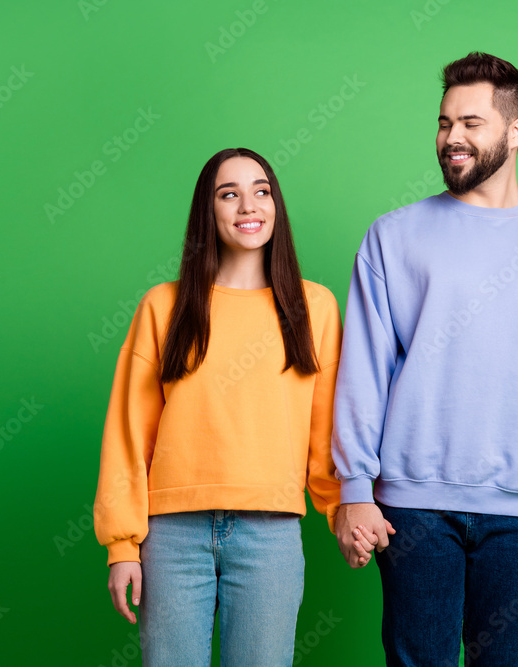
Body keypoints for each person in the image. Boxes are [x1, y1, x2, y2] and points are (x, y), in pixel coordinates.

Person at [331, 52, 518, 665]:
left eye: (471, 123)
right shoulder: (393, 237)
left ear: (515, 132)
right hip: (411, 506)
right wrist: (354, 487)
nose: (451, 138)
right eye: (444, 123)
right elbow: (365, 368)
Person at [93, 147, 348, 666]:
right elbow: (128, 434)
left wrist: (341, 507)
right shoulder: (164, 306)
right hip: (171, 537)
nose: (247, 206)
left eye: (261, 191)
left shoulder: (314, 307)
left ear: (275, 206)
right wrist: (122, 546)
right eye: (228, 194)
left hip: (270, 535)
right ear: (207, 212)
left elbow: (325, 429)